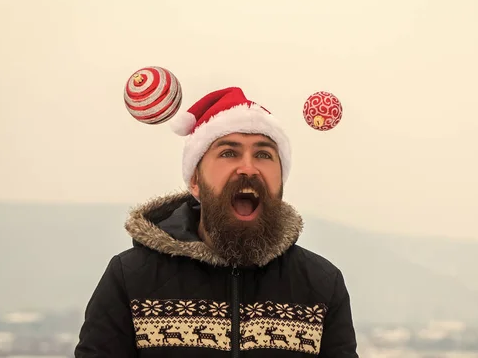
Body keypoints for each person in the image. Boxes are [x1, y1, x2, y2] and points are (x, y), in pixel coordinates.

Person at [74, 87, 358, 357]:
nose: (248, 167)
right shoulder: (130, 278)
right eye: (228, 153)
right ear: (195, 181)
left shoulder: (321, 285)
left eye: (263, 154)